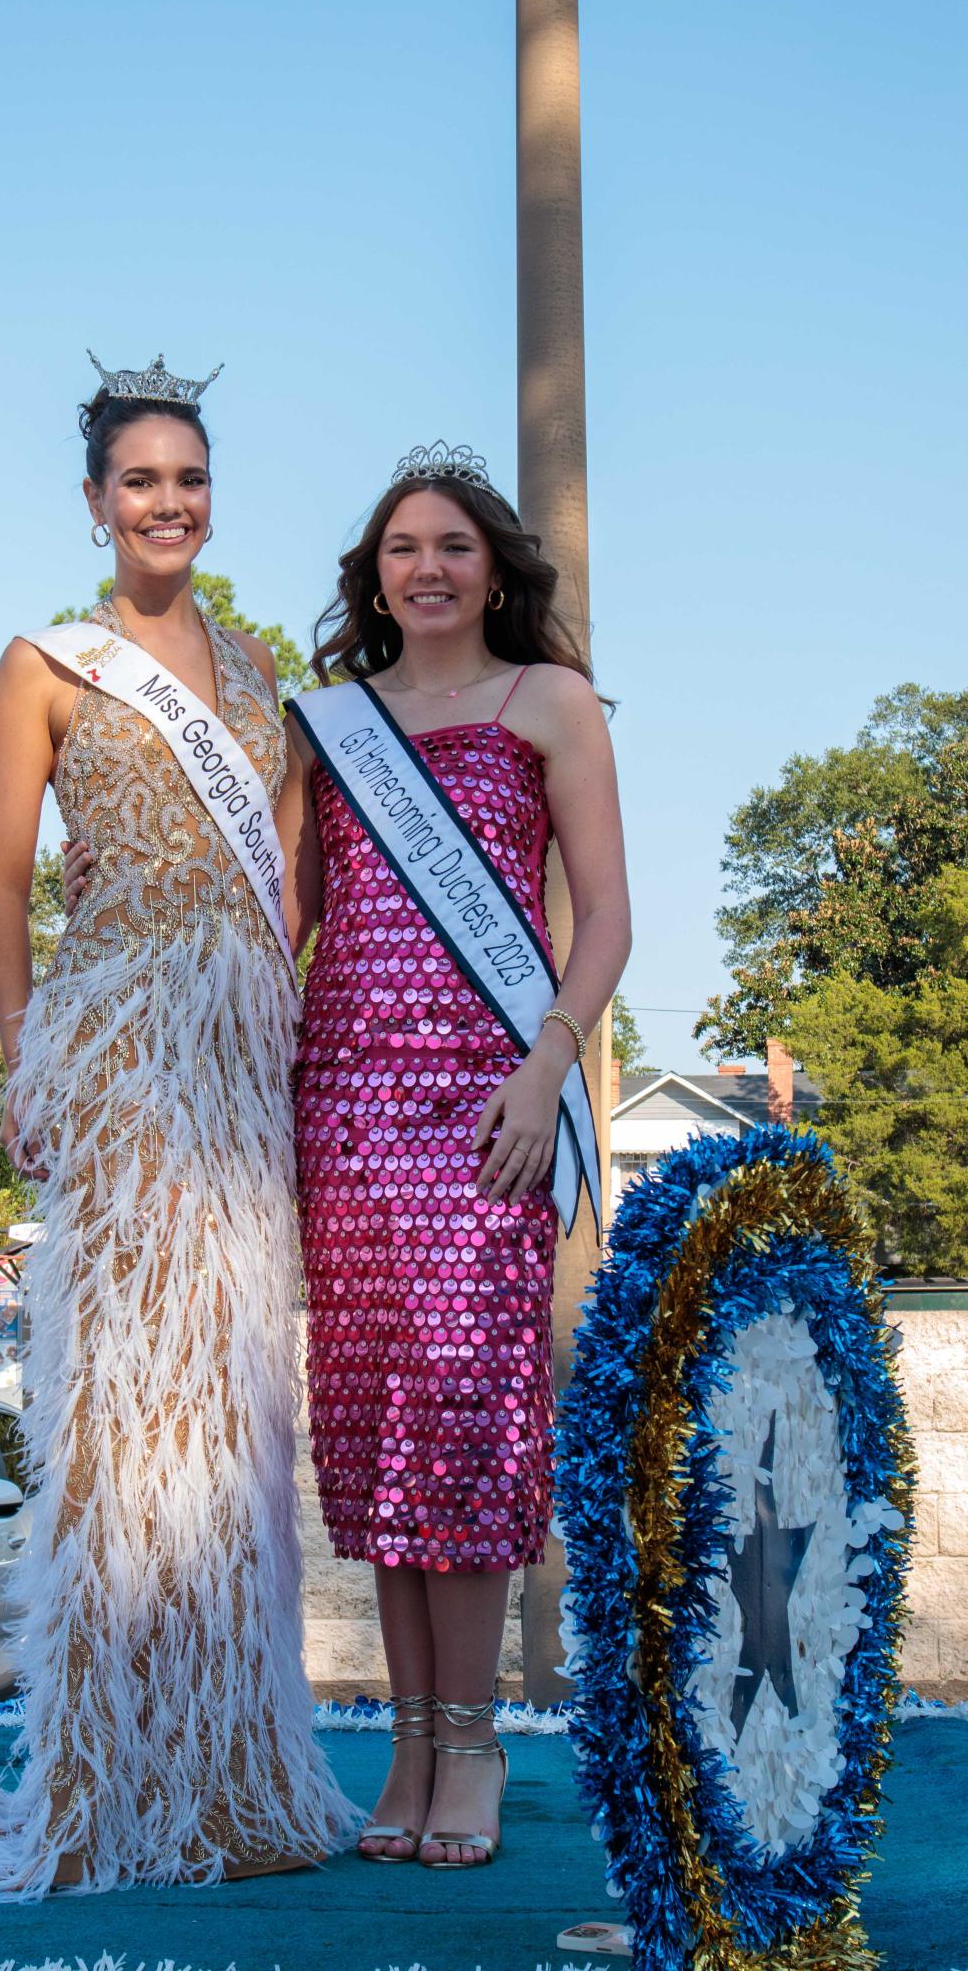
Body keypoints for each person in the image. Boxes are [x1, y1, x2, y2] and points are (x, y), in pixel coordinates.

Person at [0, 352, 360, 1897]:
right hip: (120, 1041)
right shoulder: (48, 663)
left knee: (224, 1415)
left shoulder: (258, 664)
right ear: (96, 501)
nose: (168, 502)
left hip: (237, 1055)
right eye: (140, 480)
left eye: (190, 480)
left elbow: (291, 872)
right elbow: (1, 880)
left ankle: (223, 1766)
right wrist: (26, 1052)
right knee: (126, 1413)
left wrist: (279, 1002)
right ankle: (108, 1770)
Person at [281, 444, 630, 1869]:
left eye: (452, 546)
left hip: (488, 1104)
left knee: (471, 1417)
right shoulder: (326, 723)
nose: (424, 567)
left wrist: (545, 1067)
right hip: (347, 1106)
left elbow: (605, 917)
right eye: (399, 548)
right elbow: (280, 919)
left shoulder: (545, 703)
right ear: (373, 575)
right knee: (372, 1418)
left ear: (494, 566)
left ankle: (471, 1743)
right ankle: (408, 1742)